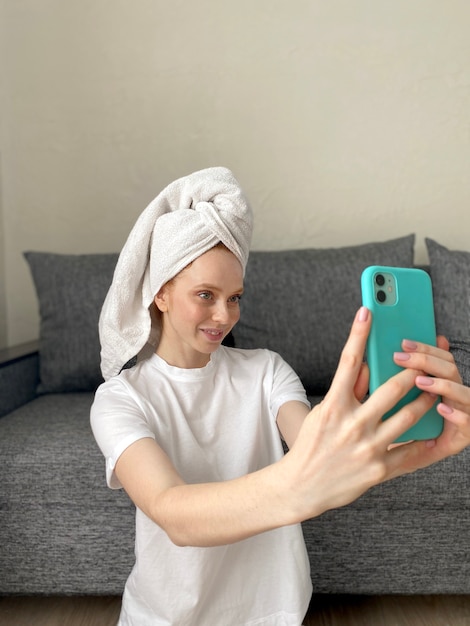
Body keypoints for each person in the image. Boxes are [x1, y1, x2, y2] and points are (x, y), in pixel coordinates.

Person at [91, 167, 470, 626]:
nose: (223, 315)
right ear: (162, 294)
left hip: (273, 612)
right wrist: (299, 486)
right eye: (206, 295)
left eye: (234, 297)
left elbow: (316, 450)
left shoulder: (265, 369)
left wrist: (425, 446)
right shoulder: (120, 398)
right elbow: (174, 513)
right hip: (165, 616)